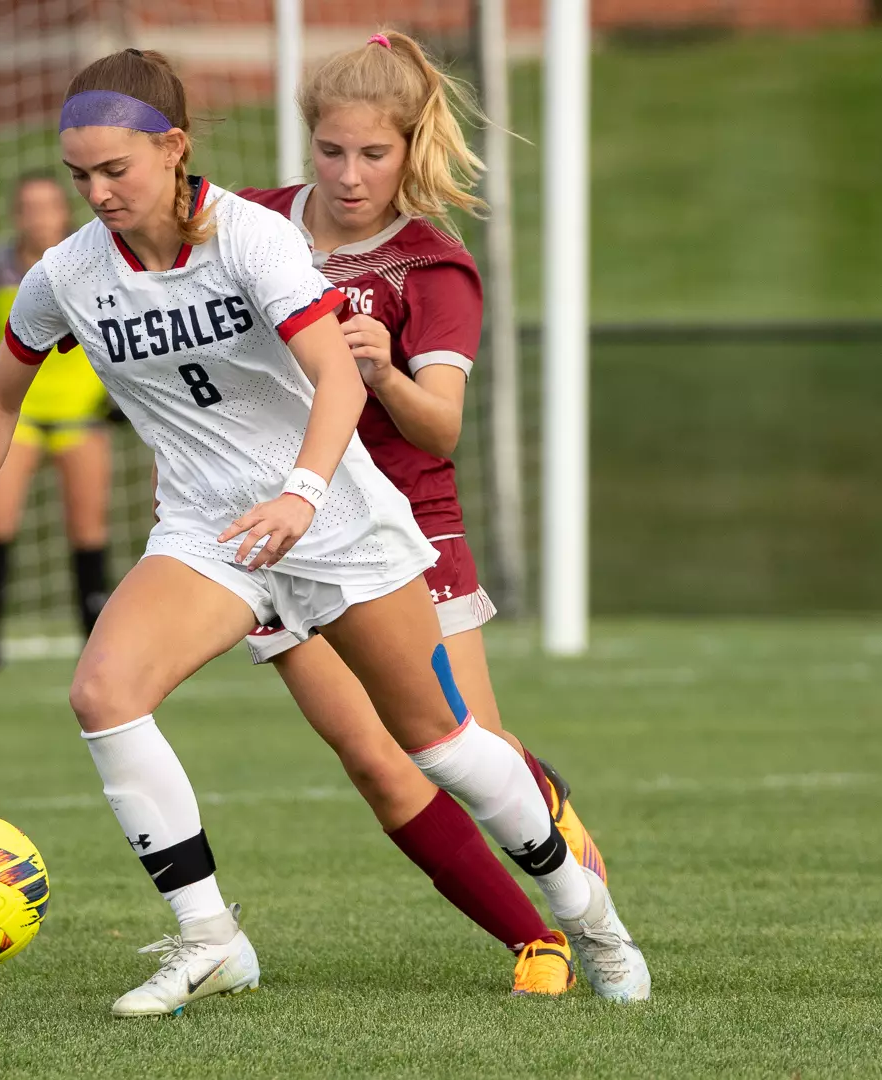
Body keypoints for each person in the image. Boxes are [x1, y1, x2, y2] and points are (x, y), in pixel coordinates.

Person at [0, 47, 641, 1017]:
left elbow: (338, 376)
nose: (98, 192)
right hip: (213, 533)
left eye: (116, 169)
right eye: (81, 174)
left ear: (174, 147)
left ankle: (589, 919)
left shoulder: (251, 238)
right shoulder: (68, 274)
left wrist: (299, 492)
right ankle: (210, 939)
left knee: (445, 745)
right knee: (104, 691)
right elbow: (2, 397)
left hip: (334, 518)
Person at [236, 30, 649, 1002]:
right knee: (375, 763)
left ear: (411, 146)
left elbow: (444, 428)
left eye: (373, 154)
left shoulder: (431, 265)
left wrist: (379, 369)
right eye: (331, 150)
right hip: (287, 529)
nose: (349, 174)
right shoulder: (254, 227)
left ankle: (557, 834)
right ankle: (534, 941)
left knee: (465, 751)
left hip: (406, 527)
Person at [0, 173, 115, 670]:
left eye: (48, 207)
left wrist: (118, 394)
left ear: (64, 212)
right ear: (15, 215)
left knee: (87, 529)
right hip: (17, 414)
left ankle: (97, 646)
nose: (40, 217)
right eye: (29, 207)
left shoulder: (93, 263)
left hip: (81, 414)